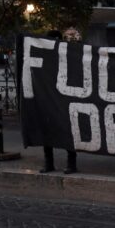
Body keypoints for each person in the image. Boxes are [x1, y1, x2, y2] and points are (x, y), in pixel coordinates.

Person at [40, 30, 78, 174]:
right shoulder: (46, 55)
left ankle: (71, 163)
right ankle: (50, 163)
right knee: (49, 132)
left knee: (67, 131)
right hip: (50, 98)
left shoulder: (66, 54)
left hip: (62, 99)